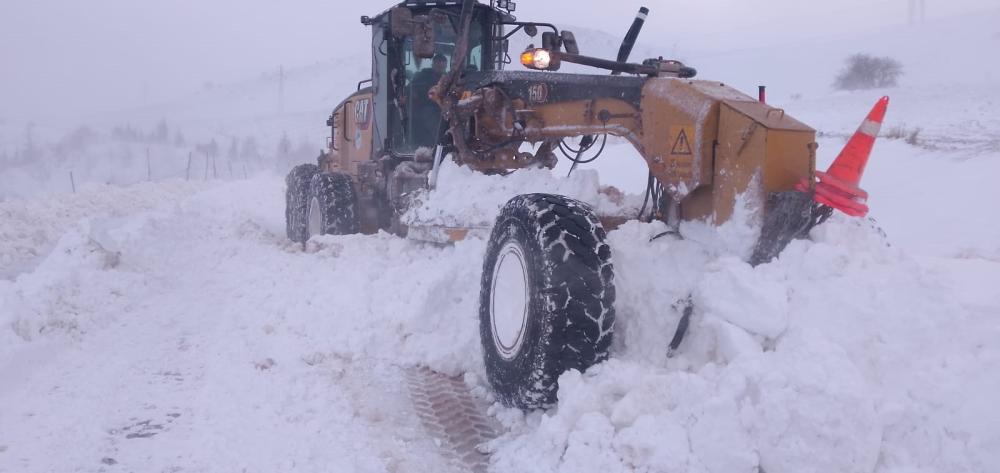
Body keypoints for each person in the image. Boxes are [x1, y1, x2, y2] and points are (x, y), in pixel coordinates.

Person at [409, 54, 448, 148]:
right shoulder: (422, 77)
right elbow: (411, 92)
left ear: (446, 66)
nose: (440, 68)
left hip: (446, 109)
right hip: (426, 109)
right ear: (433, 65)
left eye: (443, 66)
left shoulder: (449, 79)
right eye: (438, 66)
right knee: (431, 115)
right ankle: (438, 144)